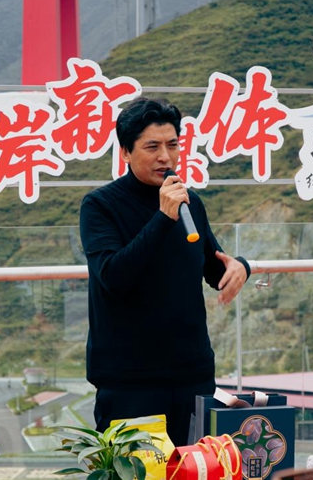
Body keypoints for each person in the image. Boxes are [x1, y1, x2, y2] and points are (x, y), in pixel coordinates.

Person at [79, 97, 250, 445]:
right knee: (137, 470)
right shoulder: (100, 206)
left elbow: (213, 268)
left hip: (192, 374)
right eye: (152, 147)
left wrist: (240, 267)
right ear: (125, 152)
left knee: (197, 467)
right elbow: (114, 277)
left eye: (172, 145)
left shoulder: (189, 202)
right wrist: (162, 218)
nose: (166, 157)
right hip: (129, 381)